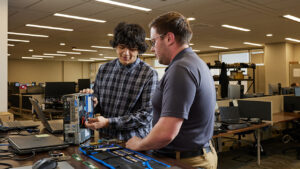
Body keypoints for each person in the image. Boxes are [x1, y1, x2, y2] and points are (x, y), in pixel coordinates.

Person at [125, 12, 218, 169]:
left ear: (169, 38)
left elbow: (166, 133)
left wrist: (139, 144)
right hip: (196, 155)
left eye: (154, 41)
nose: (152, 49)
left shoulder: (180, 69)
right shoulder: (195, 62)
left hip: (185, 161)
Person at [84, 22, 158, 141]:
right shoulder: (104, 69)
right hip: (105, 139)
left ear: (139, 49)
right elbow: (97, 103)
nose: (126, 53)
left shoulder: (148, 74)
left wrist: (108, 122)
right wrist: (89, 101)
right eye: (122, 47)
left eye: (132, 48)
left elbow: (145, 115)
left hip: (133, 142)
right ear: (116, 46)